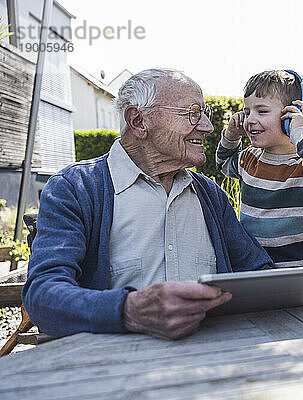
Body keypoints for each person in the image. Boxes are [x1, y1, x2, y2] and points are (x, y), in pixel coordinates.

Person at [22, 68, 273, 340]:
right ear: (138, 121)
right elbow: (42, 296)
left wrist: (299, 289)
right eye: (191, 113)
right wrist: (129, 310)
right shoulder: (75, 188)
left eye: (204, 113)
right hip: (111, 370)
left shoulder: (209, 195)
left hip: (217, 362)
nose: (207, 126)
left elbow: (258, 270)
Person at [216, 70, 303, 268]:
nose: (249, 120)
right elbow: (222, 163)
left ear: (290, 115)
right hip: (255, 270)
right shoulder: (248, 159)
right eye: (247, 112)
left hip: (301, 275)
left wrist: (300, 133)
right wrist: (231, 136)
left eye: (261, 111)